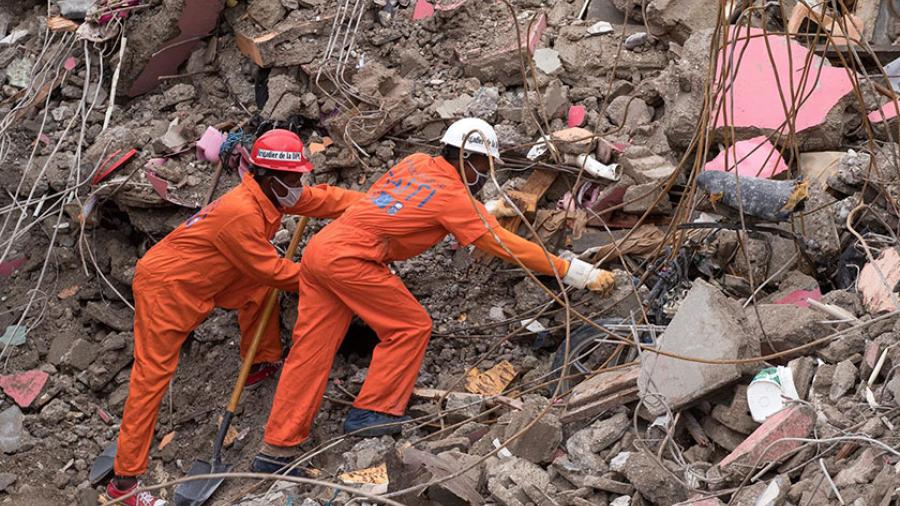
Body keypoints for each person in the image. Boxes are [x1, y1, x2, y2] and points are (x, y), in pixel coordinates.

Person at [252, 118, 615, 474]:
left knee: (309, 352)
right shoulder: (454, 196)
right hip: (352, 259)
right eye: (483, 166)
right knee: (409, 326)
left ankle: (277, 449)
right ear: (465, 158)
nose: (485, 175)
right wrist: (575, 272)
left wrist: (480, 211)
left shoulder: (416, 163)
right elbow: (502, 243)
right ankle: (371, 414)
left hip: (321, 251)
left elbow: (401, 204)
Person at [106, 129, 364, 505]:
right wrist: (328, 277)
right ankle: (125, 483)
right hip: (169, 287)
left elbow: (320, 199)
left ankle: (260, 360)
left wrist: (376, 203)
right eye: (293, 179)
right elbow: (274, 272)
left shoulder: (269, 194)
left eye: (300, 177)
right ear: (269, 177)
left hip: (212, 277)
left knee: (256, 293)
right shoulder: (240, 212)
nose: (299, 185)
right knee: (152, 377)